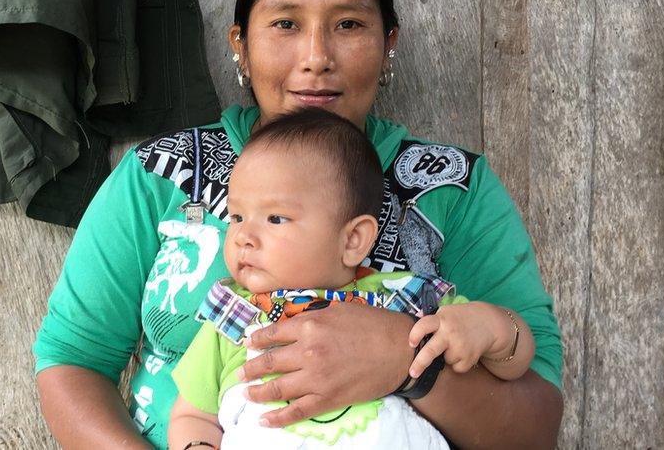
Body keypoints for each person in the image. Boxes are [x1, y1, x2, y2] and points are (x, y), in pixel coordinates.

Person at [34, 0, 563, 449]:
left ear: (388, 42)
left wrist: (405, 364)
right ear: (240, 43)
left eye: (349, 25)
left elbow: (534, 420)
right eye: (285, 24)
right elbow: (72, 361)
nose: (316, 58)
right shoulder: (159, 175)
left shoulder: (451, 188)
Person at [167, 109, 537, 449]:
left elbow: (515, 360)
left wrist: (488, 327)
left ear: (353, 240)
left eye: (275, 218)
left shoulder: (406, 301)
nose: (244, 236)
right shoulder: (234, 319)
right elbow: (192, 415)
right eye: (236, 218)